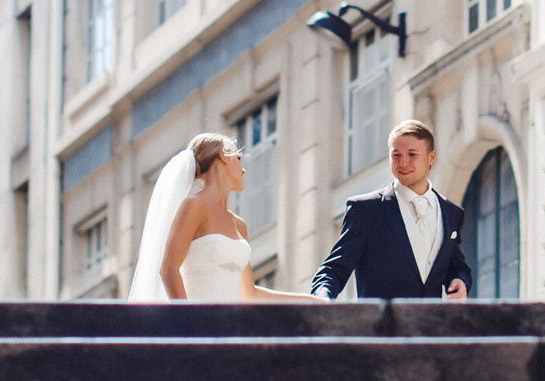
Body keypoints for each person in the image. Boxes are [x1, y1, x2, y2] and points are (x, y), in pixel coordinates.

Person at [129, 133, 309, 302]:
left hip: (233, 322)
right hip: (199, 321)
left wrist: (311, 300)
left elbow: (249, 293)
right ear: (224, 156)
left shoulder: (239, 225)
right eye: (239, 159)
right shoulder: (194, 206)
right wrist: (188, 320)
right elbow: (168, 269)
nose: (244, 170)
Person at [308, 120, 473, 301]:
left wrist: (460, 280)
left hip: (430, 319)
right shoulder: (366, 210)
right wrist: (321, 299)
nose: (403, 162)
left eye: (412, 154)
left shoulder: (451, 213)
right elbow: (333, 270)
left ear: (431, 157)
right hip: (380, 319)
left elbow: (456, 266)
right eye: (396, 155)